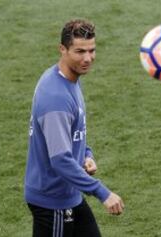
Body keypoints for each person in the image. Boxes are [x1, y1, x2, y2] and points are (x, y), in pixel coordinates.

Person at [24, 19, 124, 237]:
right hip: (53, 203)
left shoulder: (67, 79)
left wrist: (86, 153)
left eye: (91, 50)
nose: (87, 58)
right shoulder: (55, 97)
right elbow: (60, 159)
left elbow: (68, 134)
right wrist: (102, 193)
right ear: (63, 49)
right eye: (80, 51)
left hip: (69, 194)